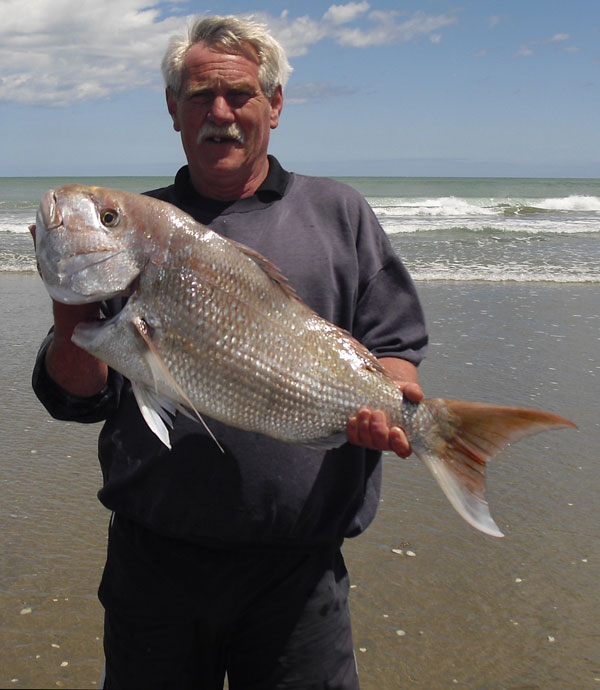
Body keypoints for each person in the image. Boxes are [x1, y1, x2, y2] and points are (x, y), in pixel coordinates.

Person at [32, 15, 428, 690]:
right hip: (152, 567)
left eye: (239, 94)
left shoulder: (339, 212)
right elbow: (77, 398)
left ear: (273, 105)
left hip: (299, 577)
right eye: (198, 96)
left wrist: (393, 408)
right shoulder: (144, 231)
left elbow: (393, 347)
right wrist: (73, 304)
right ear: (173, 110)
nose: (220, 113)